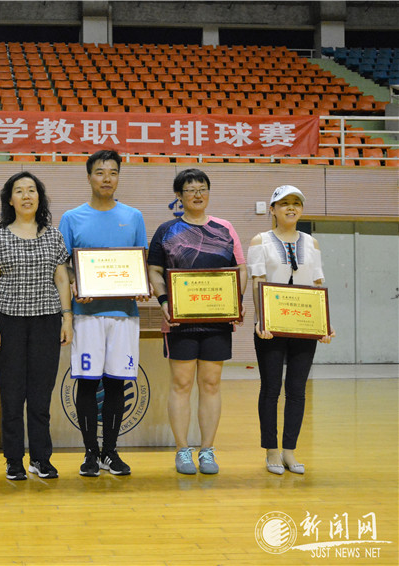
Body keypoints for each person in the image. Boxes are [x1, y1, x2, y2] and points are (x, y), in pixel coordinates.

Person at [147, 169, 247, 475]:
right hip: (180, 322)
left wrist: (236, 301)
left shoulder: (225, 228)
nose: (197, 194)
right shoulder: (167, 230)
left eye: (202, 188)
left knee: (211, 383)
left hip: (217, 319)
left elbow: (241, 269)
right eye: (190, 190)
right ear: (179, 196)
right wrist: (164, 302)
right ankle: (182, 450)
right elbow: (154, 270)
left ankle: (207, 450)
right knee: (181, 383)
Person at [58, 149, 147, 478]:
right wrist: (74, 283)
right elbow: (63, 266)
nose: (106, 178)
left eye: (113, 172)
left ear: (119, 177)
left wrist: (140, 285)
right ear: (89, 177)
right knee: (86, 383)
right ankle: (90, 453)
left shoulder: (133, 216)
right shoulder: (72, 218)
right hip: (86, 315)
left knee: (116, 383)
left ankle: (110, 451)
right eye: (100, 172)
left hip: (124, 314)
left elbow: (139, 261)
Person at [0, 172, 73, 481]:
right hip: (8, 322)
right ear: (10, 200)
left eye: (31, 190)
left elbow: (61, 279)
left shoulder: (53, 235)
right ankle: (13, 460)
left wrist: (67, 318)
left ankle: (40, 458)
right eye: (19, 191)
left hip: (46, 322)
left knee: (40, 396)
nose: (26, 196)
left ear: (39, 197)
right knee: (11, 396)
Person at [247, 185, 335, 475]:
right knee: (271, 388)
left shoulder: (312, 243)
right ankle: (271, 450)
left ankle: (289, 450)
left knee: (297, 390)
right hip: (271, 327)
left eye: (296, 203)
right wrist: (261, 320)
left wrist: (324, 324)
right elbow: (258, 281)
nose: (291, 208)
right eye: (284, 203)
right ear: (272, 209)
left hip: (303, 324)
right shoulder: (260, 240)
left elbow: (318, 284)